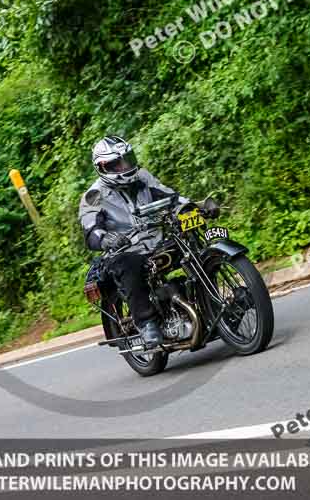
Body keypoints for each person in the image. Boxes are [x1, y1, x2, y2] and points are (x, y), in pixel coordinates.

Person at [78, 136, 218, 348]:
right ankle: (147, 323)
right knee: (128, 265)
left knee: (192, 242)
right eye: (118, 163)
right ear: (103, 167)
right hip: (125, 250)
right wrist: (106, 238)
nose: (126, 166)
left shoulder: (142, 177)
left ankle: (212, 302)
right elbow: (90, 229)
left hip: (157, 240)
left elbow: (170, 197)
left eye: (128, 159)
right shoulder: (94, 195)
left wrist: (194, 207)